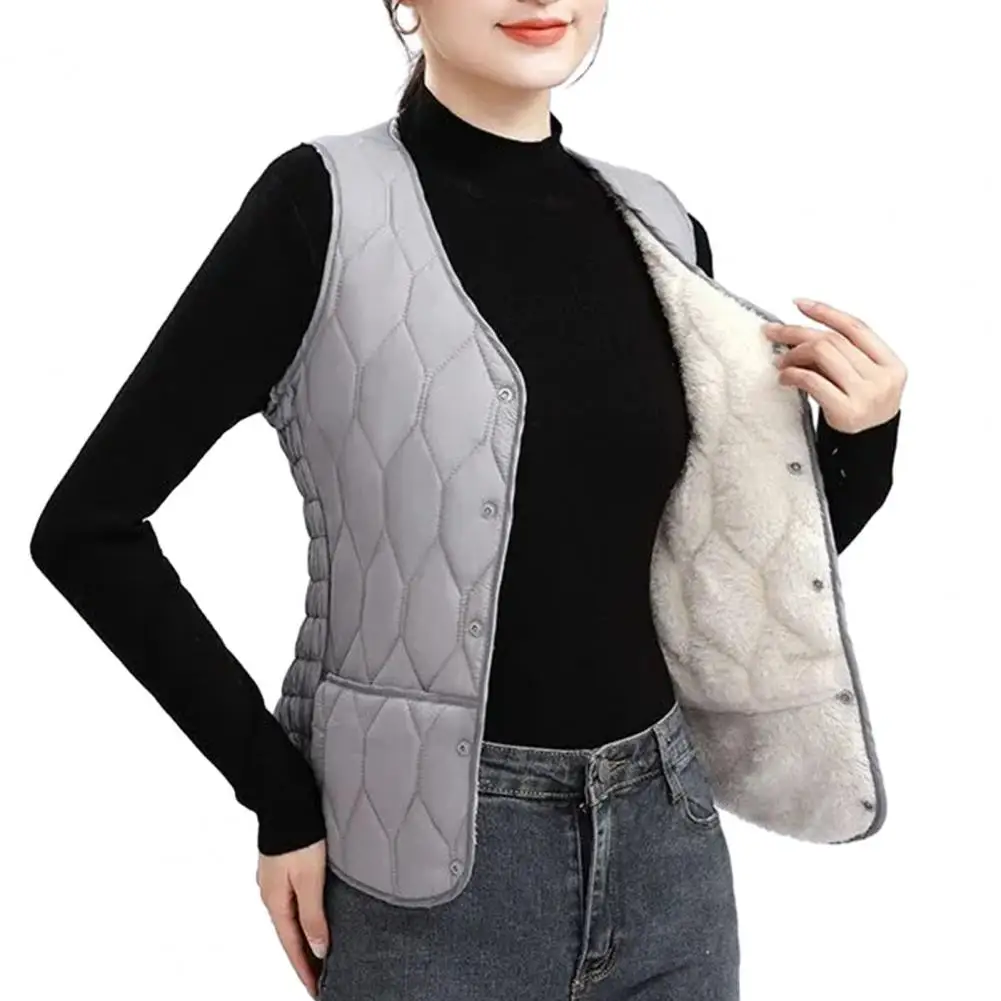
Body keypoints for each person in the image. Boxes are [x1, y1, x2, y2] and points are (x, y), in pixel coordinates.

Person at [29, 1, 906, 998]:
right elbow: (88, 529)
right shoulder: (321, 204)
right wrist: (278, 796)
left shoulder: (661, 225)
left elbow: (701, 574)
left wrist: (861, 444)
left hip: (668, 849)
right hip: (421, 872)